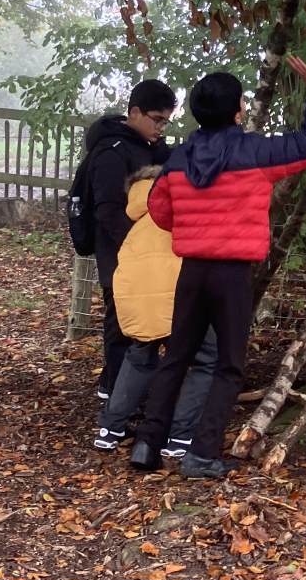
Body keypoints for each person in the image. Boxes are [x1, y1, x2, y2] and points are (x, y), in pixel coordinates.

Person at [130, 55, 306, 478]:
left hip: (192, 272)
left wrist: (195, 223)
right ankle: (202, 454)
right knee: (228, 364)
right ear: (237, 111)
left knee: (176, 356)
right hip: (233, 275)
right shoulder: (256, 152)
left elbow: (159, 210)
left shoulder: (180, 158)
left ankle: (146, 445)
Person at [93, 166, 219, 456]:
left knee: (140, 356)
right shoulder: (178, 213)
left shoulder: (136, 227)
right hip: (180, 300)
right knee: (206, 358)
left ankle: (110, 428)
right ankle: (181, 435)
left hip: (138, 302)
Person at [82, 79, 175, 398]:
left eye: (166, 121)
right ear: (134, 112)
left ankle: (126, 390)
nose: (161, 127)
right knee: (120, 323)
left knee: (144, 322)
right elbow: (108, 210)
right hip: (118, 253)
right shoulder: (111, 152)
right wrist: (134, 247)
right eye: (156, 119)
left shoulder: (153, 148)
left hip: (149, 255)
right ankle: (114, 394)